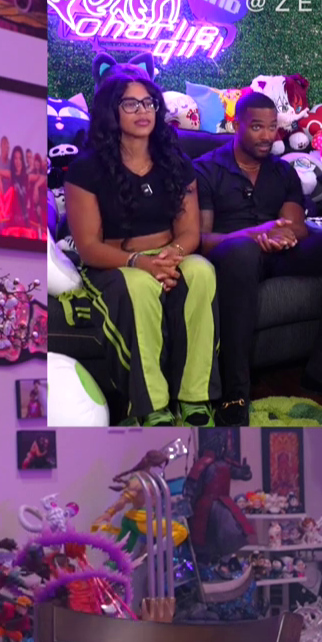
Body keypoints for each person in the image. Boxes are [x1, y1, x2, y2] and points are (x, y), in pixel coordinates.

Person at [196, 90, 322, 425]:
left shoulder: (282, 171)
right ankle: (235, 390)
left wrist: (285, 235)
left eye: (272, 127)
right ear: (236, 125)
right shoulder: (206, 170)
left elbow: (298, 226)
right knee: (242, 253)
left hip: (278, 252)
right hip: (233, 255)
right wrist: (255, 234)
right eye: (257, 127)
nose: (267, 136)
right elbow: (202, 241)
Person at [62, 70, 217, 426]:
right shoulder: (86, 170)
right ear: (111, 111)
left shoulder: (175, 162)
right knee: (138, 287)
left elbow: (189, 231)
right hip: (114, 264)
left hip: (167, 255)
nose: (142, 111)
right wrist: (139, 263)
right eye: (130, 104)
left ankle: (195, 397)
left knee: (202, 272)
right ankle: (151, 406)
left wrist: (172, 256)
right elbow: (89, 248)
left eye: (148, 103)